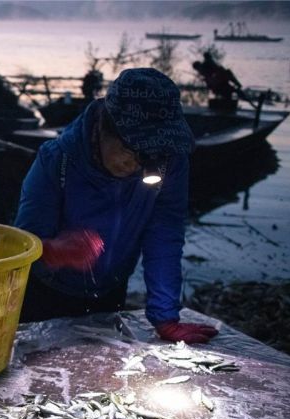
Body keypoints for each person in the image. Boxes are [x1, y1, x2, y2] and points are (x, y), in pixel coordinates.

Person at [14, 68, 219, 345]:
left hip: (110, 291)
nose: (138, 164)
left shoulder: (168, 161)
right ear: (102, 128)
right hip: (46, 292)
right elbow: (23, 246)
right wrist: (52, 251)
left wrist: (165, 317)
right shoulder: (57, 160)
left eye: (151, 152)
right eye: (131, 149)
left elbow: (165, 235)